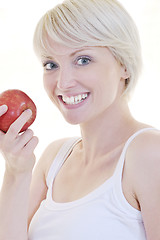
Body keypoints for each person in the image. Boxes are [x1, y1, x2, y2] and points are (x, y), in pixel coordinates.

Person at [0, 0, 160, 239]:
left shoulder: (149, 153)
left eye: (83, 60)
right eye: (51, 64)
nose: (63, 83)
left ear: (123, 65)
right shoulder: (54, 158)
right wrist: (16, 170)